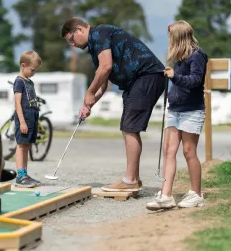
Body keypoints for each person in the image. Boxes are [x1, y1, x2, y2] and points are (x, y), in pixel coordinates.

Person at [61, 17, 166, 192]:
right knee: (129, 127)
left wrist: (88, 92)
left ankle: (130, 180)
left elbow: (106, 67)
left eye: (71, 39)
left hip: (146, 76)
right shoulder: (95, 47)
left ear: (79, 29)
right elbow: (104, 83)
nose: (73, 45)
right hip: (138, 81)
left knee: (130, 127)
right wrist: (89, 105)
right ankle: (134, 179)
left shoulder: (100, 33)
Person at [145, 20, 208, 210]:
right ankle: (166, 194)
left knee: (189, 151)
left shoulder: (198, 56)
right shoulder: (178, 57)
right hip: (175, 109)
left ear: (179, 36)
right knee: (168, 151)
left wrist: (175, 77)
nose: (169, 39)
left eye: (171, 35)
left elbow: (196, 80)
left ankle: (196, 193)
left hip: (192, 110)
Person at [13, 50, 42, 188]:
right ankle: (20, 176)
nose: (33, 73)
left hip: (32, 117)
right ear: (23, 65)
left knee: (27, 145)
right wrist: (22, 122)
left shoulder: (30, 82)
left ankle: (25, 173)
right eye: (32, 70)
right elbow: (17, 103)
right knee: (21, 145)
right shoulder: (19, 82)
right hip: (23, 118)